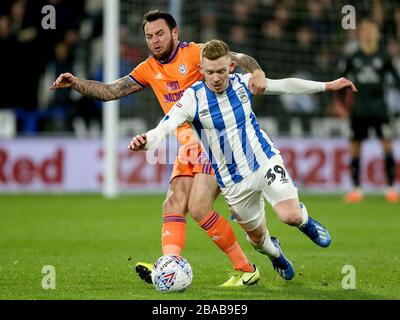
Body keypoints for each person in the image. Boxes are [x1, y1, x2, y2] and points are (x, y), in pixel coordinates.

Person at [51, 10, 270, 287]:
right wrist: (76, 84)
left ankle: (246, 268)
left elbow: (239, 59)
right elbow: (111, 91)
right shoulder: (148, 68)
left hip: (213, 143)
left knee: (200, 209)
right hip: (187, 147)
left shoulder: (195, 53)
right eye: (149, 36)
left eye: (160, 34)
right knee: (172, 204)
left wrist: (258, 72)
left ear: (175, 33)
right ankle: (169, 266)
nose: (154, 40)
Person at [129, 40, 357, 282]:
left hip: (263, 161)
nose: (215, 78)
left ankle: (304, 220)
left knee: (288, 215)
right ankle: (276, 254)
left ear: (231, 66)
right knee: (258, 241)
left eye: (220, 71)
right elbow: (164, 128)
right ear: (202, 70)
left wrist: (327, 85)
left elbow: (285, 86)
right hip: (232, 182)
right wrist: (147, 141)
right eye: (209, 72)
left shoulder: (243, 84)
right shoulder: (192, 99)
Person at [336, 19, 400, 203]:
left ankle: (391, 188)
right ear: (360, 34)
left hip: (380, 109)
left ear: (376, 34)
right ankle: (356, 189)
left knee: (387, 147)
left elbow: (396, 80)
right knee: (355, 149)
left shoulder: (384, 56)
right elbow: (341, 81)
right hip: (359, 110)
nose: (368, 34)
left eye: (371, 31)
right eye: (364, 31)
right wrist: (340, 104)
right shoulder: (353, 56)